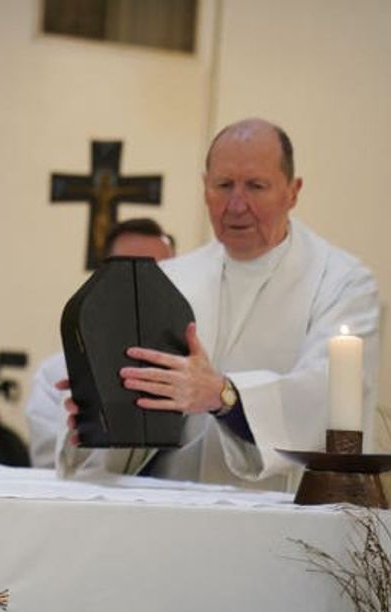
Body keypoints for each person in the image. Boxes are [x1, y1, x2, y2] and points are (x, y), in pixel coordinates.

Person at [27, 118, 379, 491]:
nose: (236, 204)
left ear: (293, 191)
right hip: (173, 508)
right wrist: (101, 412)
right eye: (224, 185)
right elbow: (136, 419)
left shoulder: (342, 283)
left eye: (256, 186)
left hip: (282, 517)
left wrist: (225, 396)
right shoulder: (171, 280)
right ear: (205, 187)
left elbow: (324, 393)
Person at [25, 218, 176, 468]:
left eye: (159, 271)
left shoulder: (195, 372)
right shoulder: (55, 374)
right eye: (127, 270)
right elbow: (49, 467)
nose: (143, 283)